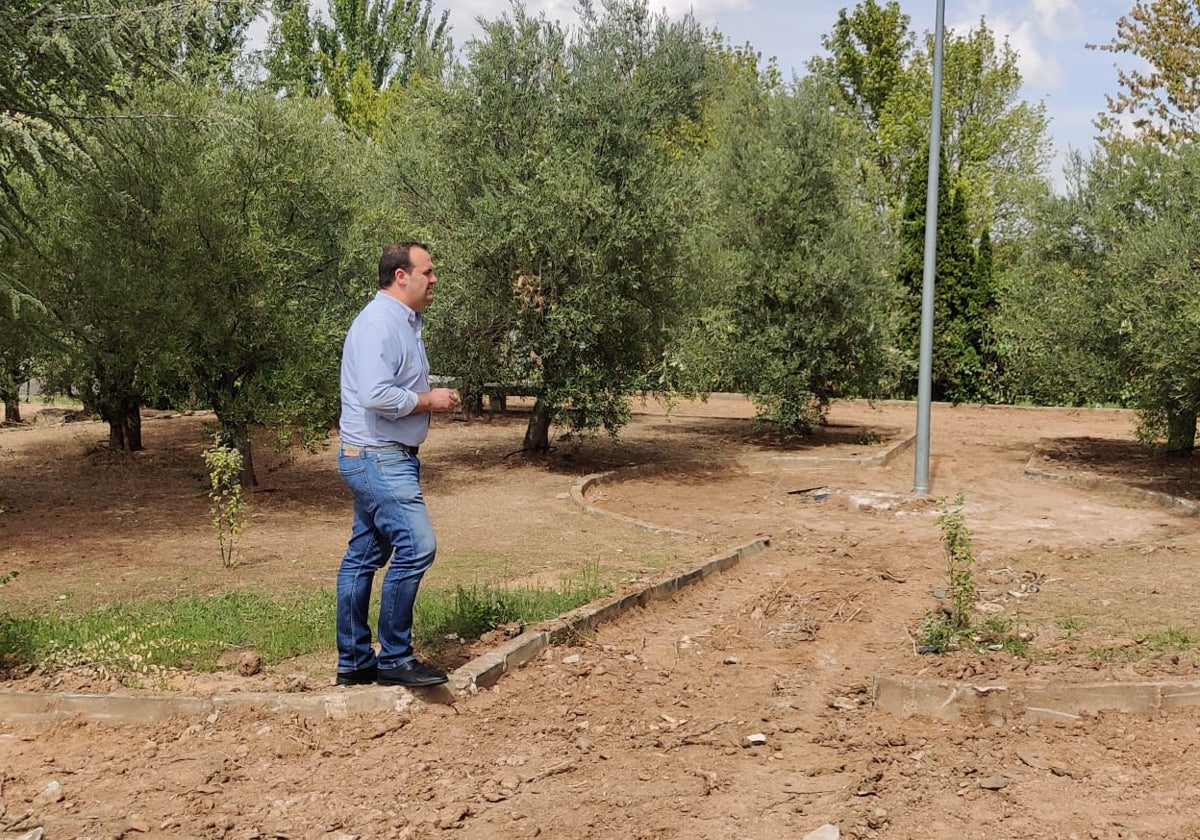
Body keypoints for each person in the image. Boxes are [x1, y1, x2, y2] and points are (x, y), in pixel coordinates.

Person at [334, 241, 461, 687]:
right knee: (417, 546)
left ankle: (353, 662)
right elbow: (376, 394)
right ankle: (393, 658)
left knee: (364, 555)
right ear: (400, 276)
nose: (434, 279)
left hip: (376, 454)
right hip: (378, 456)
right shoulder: (379, 324)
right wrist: (431, 401)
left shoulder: (402, 323)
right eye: (427, 271)